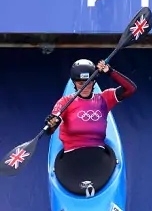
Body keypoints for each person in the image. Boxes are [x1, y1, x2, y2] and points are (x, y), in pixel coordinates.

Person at [45, 59, 137, 196]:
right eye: (80, 83)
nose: (85, 86)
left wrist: (110, 72)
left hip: (98, 155)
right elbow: (50, 130)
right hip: (72, 156)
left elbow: (131, 89)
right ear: (74, 83)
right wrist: (52, 123)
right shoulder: (64, 102)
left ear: (94, 81)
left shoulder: (104, 99)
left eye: (89, 81)